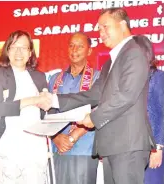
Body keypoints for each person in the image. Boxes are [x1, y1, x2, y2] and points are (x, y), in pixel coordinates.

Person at [41, 8, 156, 184]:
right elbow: (93, 94)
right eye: (99, 29)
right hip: (112, 145)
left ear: (122, 25)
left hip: (128, 145)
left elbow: (127, 95)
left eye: (105, 27)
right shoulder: (110, 61)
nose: (100, 33)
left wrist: (94, 117)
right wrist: (54, 100)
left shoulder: (135, 52)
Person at [0, 30, 51, 184]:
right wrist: (33, 100)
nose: (19, 52)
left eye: (24, 48)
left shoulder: (39, 77)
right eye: (14, 47)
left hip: (35, 145)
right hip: (10, 144)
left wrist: (47, 103)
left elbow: (46, 109)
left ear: (30, 53)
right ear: (7, 50)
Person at [48, 32, 100, 184]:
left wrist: (73, 137)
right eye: (71, 45)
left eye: (80, 46)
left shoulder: (98, 77)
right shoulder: (55, 79)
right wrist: (55, 137)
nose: (74, 50)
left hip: (84, 148)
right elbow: (47, 113)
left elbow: (99, 110)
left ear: (89, 51)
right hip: (57, 148)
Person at [132, 35, 164, 184]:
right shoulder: (129, 79)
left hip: (153, 148)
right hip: (132, 148)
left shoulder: (158, 77)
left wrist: (158, 147)